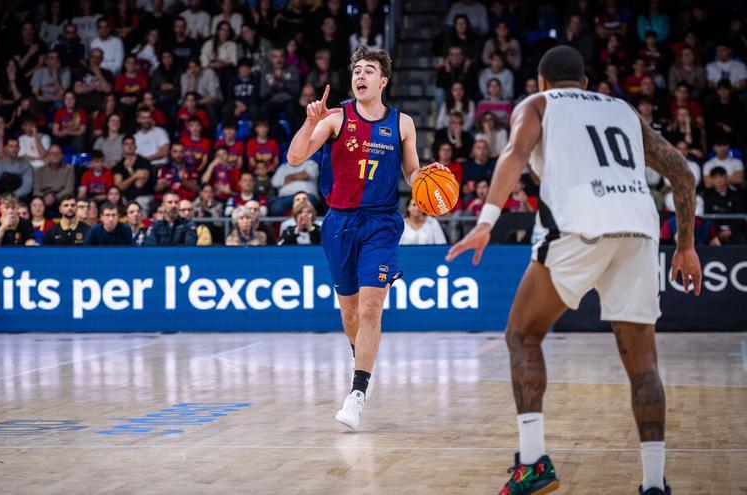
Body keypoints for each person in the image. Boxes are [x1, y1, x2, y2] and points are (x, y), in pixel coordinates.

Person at [447, 45, 702, 494]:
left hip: (579, 224)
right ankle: (654, 483)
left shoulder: (537, 104)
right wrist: (686, 245)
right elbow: (681, 171)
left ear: (542, 82)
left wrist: (485, 222)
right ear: (585, 84)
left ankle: (532, 463)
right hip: (640, 229)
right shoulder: (621, 108)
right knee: (643, 366)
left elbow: (514, 153)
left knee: (522, 335)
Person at [286, 47, 437, 431]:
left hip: (382, 223)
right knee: (350, 312)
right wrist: (310, 122)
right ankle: (362, 357)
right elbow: (295, 157)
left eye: (369, 70)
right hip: (339, 223)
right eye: (356, 70)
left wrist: (427, 181)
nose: (360, 76)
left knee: (371, 310)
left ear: (382, 81)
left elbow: (411, 172)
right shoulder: (335, 117)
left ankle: (357, 393)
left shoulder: (402, 124)